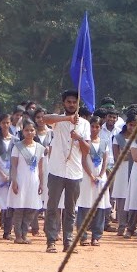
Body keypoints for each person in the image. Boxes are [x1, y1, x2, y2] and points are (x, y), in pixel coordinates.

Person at [43, 90, 91, 253]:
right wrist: (67, 119)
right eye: (69, 102)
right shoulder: (58, 121)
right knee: (53, 207)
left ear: (78, 104)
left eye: (74, 102)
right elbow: (44, 119)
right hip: (56, 169)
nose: (72, 104)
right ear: (64, 103)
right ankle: (51, 241)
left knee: (71, 209)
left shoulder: (84, 124)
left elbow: (87, 150)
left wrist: (79, 138)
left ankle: (68, 241)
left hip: (75, 171)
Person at [9, 119, 45, 244]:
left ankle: (24, 234)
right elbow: (13, 166)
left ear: (35, 132)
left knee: (31, 210)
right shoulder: (17, 147)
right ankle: (18, 235)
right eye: (26, 130)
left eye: (32, 130)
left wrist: (41, 183)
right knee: (19, 209)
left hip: (33, 182)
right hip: (20, 181)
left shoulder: (40, 148)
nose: (29, 132)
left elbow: (40, 168)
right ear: (22, 132)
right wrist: (14, 181)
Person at [77, 116, 110, 246]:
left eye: (97, 127)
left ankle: (96, 236)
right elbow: (83, 160)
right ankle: (83, 235)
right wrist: (91, 175)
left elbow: (105, 160)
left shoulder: (104, 142)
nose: (94, 129)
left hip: (100, 179)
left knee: (99, 206)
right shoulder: (86, 142)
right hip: (87, 177)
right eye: (92, 126)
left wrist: (101, 175)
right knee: (85, 205)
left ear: (101, 128)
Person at [111, 115, 137, 235]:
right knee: (122, 198)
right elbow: (118, 157)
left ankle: (133, 226)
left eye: (135, 125)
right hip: (122, 170)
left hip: (136, 170)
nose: (133, 127)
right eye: (131, 124)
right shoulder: (118, 138)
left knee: (134, 197)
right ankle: (121, 226)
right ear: (126, 124)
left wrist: (129, 154)